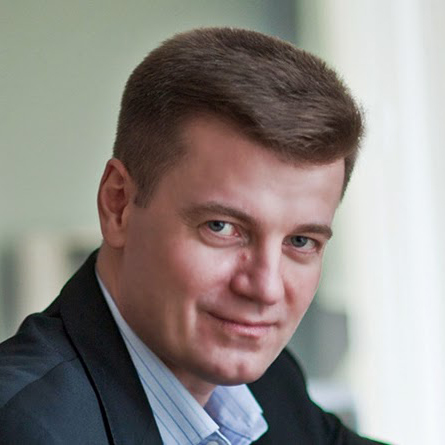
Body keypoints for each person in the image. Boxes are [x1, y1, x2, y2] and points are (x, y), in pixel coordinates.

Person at [0, 28, 387, 444]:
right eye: (221, 227)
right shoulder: (24, 427)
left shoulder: (268, 385)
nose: (265, 289)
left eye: (300, 241)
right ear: (118, 204)